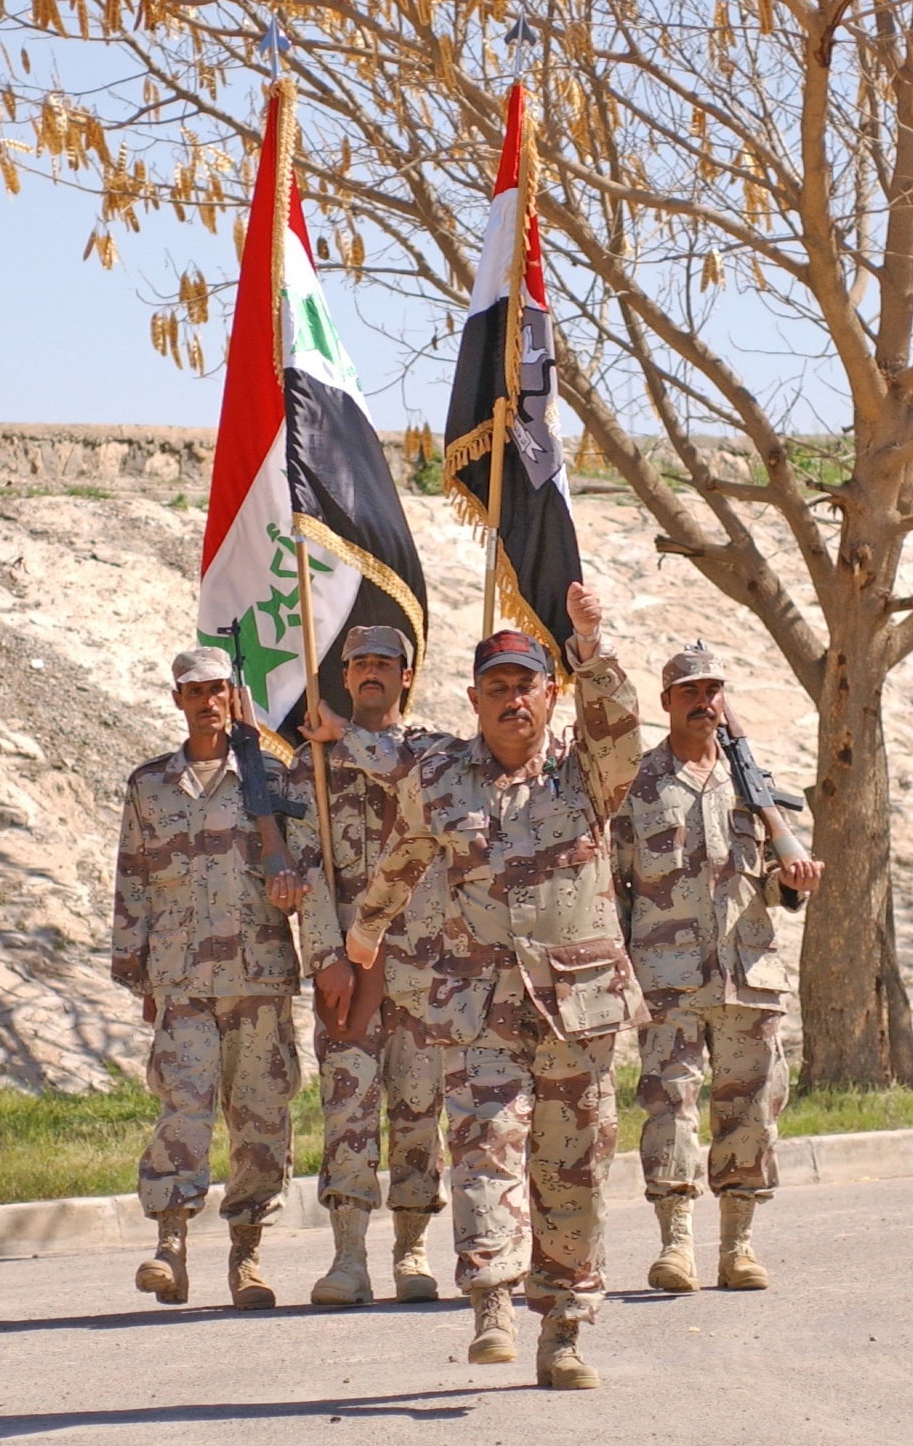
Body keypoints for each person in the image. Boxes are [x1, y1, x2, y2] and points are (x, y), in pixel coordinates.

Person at [342, 586, 646, 1391]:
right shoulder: (442, 776)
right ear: (474, 699)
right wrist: (367, 925)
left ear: (551, 694)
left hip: (577, 1007)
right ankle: (493, 1299)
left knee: (572, 1165)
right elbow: (405, 853)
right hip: (478, 1003)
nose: (515, 699)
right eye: (499, 687)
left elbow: (619, 724)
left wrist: (590, 644)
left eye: (528, 684)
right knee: (482, 1152)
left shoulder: (588, 771)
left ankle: (568, 1329)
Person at [611, 643, 823, 1295]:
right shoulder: (638, 785)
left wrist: (795, 878)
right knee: (669, 1105)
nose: (704, 702)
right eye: (690, 692)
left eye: (713, 691)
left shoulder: (753, 788)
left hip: (749, 973)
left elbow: (781, 890)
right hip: (668, 976)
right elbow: (616, 885)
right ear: (667, 701)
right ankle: (677, 1242)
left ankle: (738, 1244)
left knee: (753, 1108)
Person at [111, 646, 305, 1309]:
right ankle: (170, 1242)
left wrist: (292, 892)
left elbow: (303, 873)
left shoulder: (269, 779)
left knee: (260, 1117)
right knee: (182, 1108)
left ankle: (248, 1252)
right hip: (183, 978)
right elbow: (133, 882)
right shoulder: (150, 786)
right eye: (195, 691)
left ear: (233, 697)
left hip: (258, 979)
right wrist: (140, 978)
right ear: (178, 700)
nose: (207, 701)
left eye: (219, 689)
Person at [284, 626, 447, 1307]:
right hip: (351, 972)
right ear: (344, 676)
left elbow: (423, 800)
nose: (372, 672)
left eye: (385, 663)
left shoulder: (437, 754)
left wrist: (345, 737)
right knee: (347, 1108)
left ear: (406, 676)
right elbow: (305, 867)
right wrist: (326, 956)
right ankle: (348, 1255)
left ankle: (412, 1248)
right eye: (359, 664)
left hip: (424, 964)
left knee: (419, 1111)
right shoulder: (309, 767)